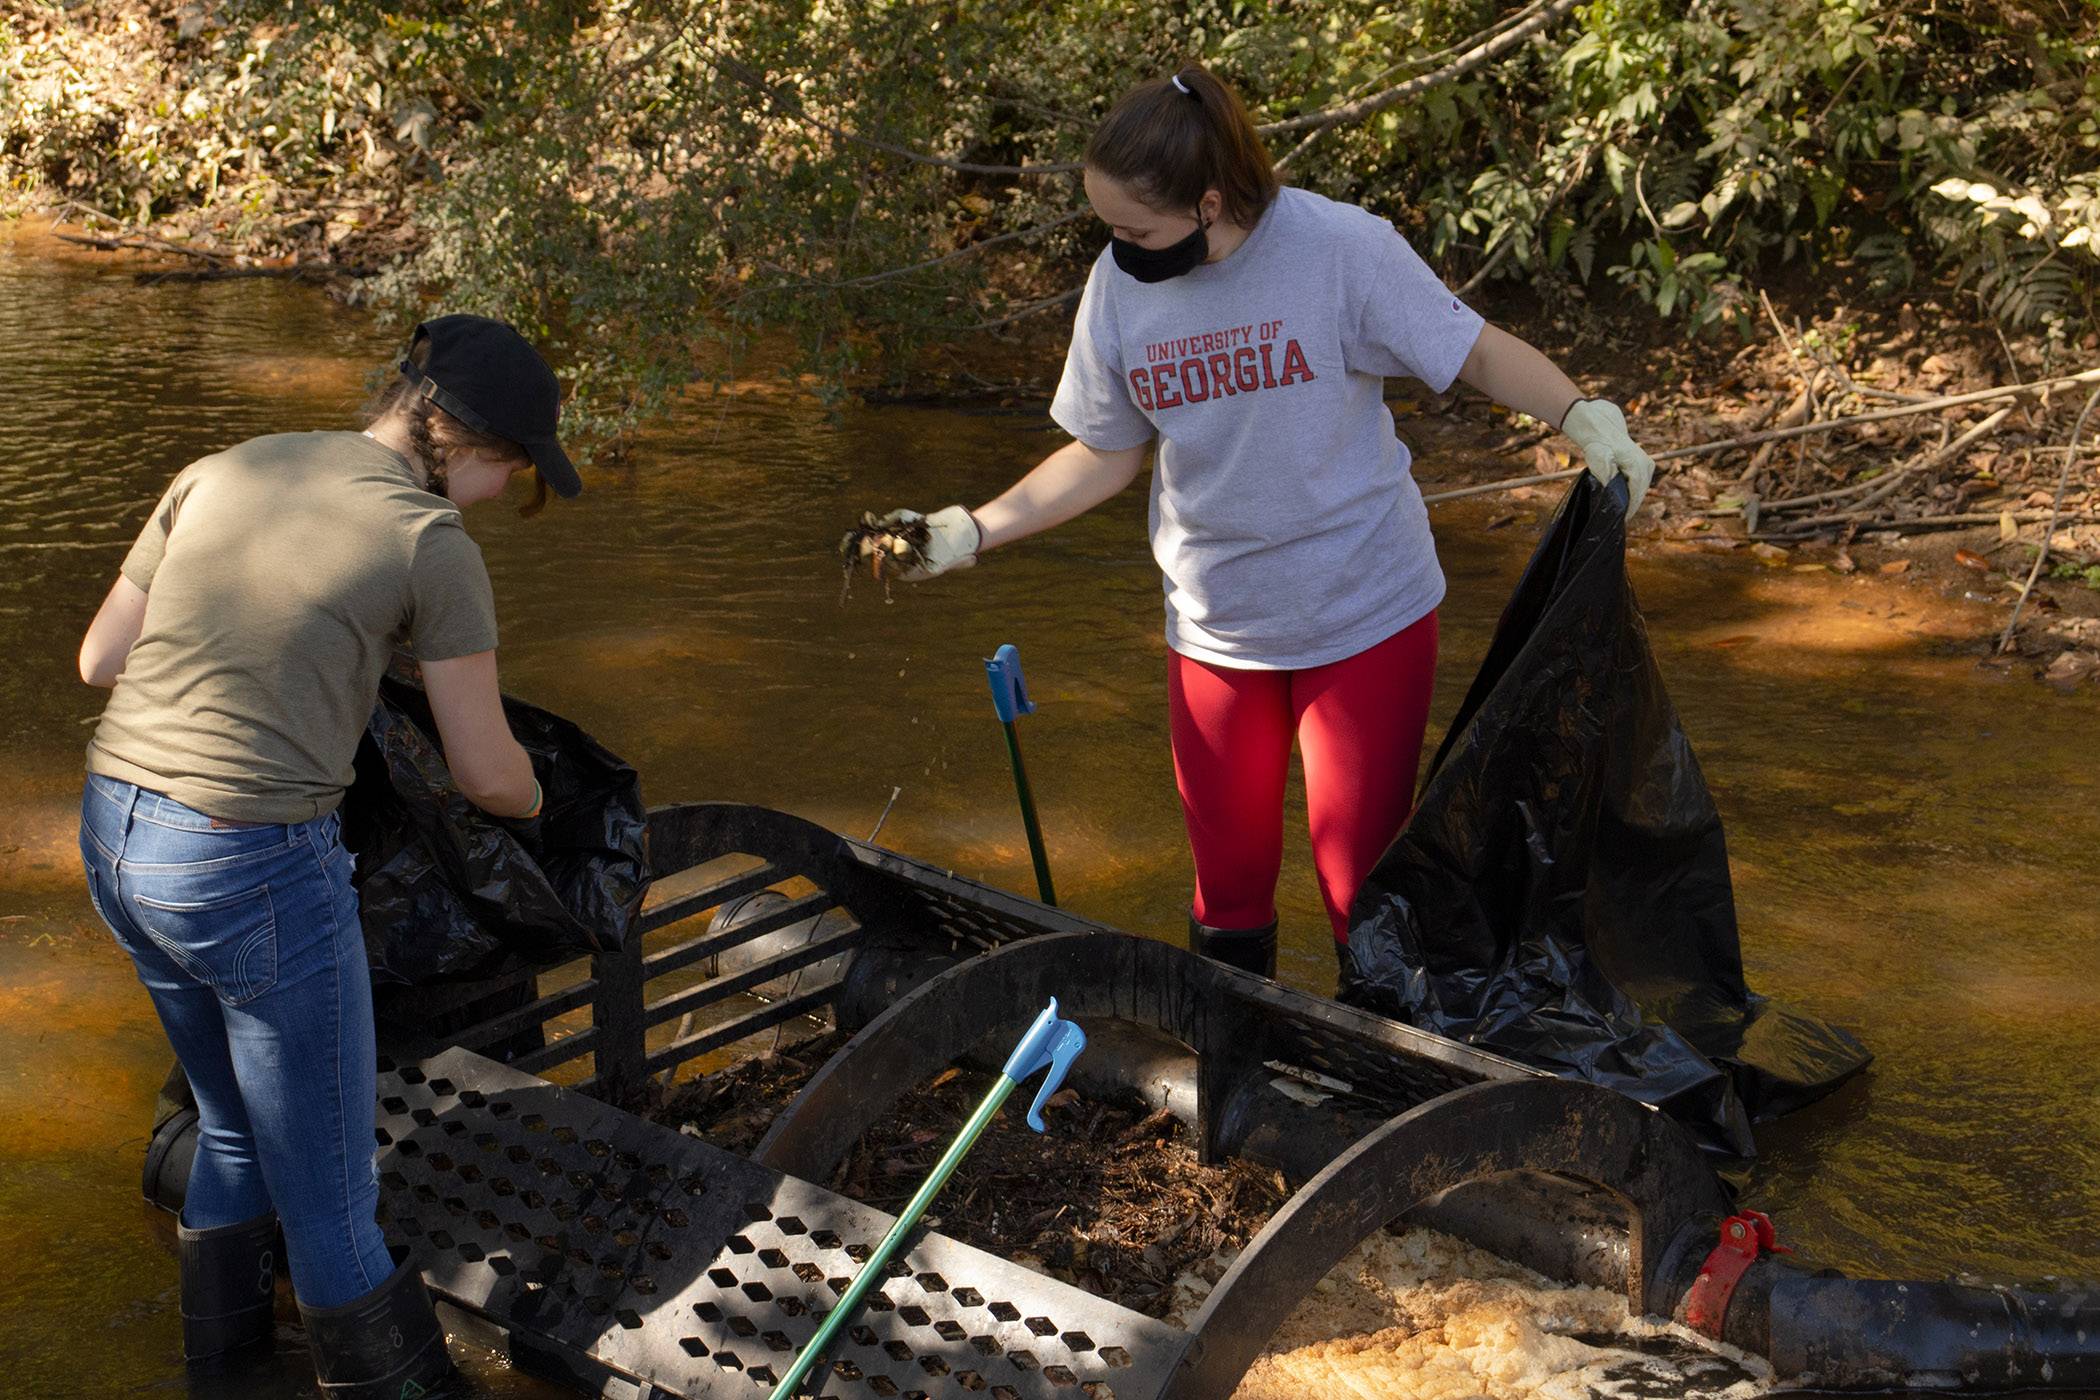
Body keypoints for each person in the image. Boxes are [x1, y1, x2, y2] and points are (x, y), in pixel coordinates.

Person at [855, 65, 1654, 979]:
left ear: (1208, 203)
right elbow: (1106, 452)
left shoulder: (1338, 250)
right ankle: (1235, 1053)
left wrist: (1579, 414)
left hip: (1363, 614)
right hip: (1217, 625)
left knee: (1359, 888)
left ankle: (1373, 1056)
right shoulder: (1119, 287)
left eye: (1134, 229)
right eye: (1108, 227)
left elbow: (1471, 349)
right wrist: (972, 529)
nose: (1116, 247)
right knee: (1228, 887)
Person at [76, 315, 581, 1395]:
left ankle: (224, 1375)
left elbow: (102, 658)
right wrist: (551, 804)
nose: (502, 492)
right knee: (335, 1203)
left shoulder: (229, 468)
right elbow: (487, 773)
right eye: (511, 468)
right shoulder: (428, 541)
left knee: (230, 1130)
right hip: (247, 863)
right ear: (463, 440)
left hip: (117, 832)